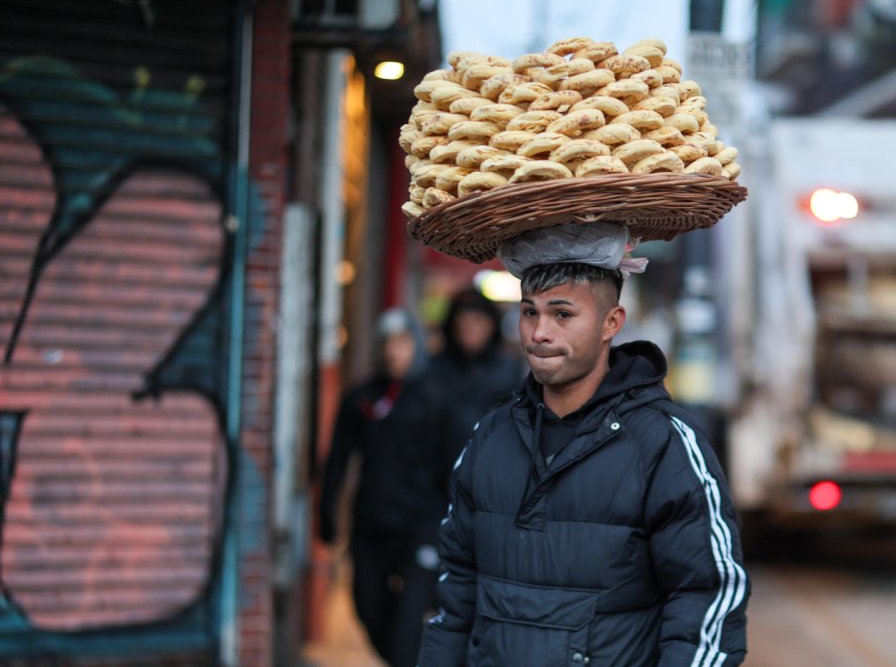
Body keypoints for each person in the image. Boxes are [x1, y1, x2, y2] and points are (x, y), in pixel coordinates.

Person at [418, 251, 750, 666]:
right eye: (529, 312)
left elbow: (707, 596)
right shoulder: (490, 437)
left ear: (612, 322)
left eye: (562, 314)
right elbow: (456, 596)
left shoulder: (663, 443)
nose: (539, 333)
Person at [318, 308, 444, 667]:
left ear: (416, 346)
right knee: (369, 612)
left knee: (407, 626)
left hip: (419, 530)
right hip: (370, 526)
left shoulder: (435, 399)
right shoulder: (361, 398)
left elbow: (452, 468)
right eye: (386, 343)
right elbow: (338, 458)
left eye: (402, 342)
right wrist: (327, 513)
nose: (393, 351)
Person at [424, 287, 521, 471]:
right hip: (435, 475)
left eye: (477, 320)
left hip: (491, 470)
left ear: (491, 325)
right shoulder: (433, 368)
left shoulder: (507, 369)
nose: (470, 328)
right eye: (464, 320)